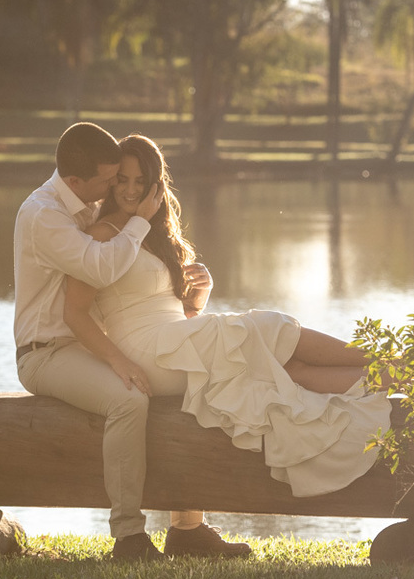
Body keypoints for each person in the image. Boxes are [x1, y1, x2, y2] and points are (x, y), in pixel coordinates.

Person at [63, 134, 393, 500]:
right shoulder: (100, 235)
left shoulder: (156, 235)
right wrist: (118, 362)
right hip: (143, 354)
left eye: (140, 181)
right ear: (110, 183)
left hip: (171, 343)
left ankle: (402, 375)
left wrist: (199, 295)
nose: (130, 190)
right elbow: (76, 313)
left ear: (155, 184)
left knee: (288, 371)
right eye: (122, 180)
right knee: (267, 327)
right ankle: (397, 362)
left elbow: (182, 316)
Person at [13, 122, 251, 561]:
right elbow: (99, 271)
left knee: (189, 379)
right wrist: (119, 361)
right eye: (109, 180)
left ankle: (187, 529)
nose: (115, 188)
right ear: (76, 181)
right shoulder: (45, 216)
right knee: (128, 399)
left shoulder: (86, 207)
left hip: (87, 344)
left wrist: (190, 296)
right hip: (47, 352)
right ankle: (128, 537)